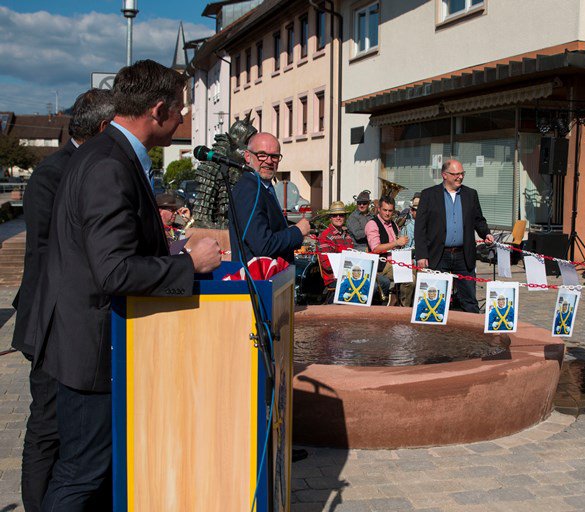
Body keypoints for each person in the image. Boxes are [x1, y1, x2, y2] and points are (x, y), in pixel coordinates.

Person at [25, 60, 222, 510]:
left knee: (94, 473)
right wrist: (189, 263)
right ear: (157, 110)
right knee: (81, 475)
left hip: (93, 343)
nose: (184, 119)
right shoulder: (108, 164)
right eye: (181, 109)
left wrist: (166, 252)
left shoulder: (106, 153)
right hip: (93, 350)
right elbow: (112, 271)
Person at [11, 88, 114, 512]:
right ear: (104, 127)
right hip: (51, 319)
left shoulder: (84, 164)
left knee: (69, 430)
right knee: (48, 426)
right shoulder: (56, 172)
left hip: (69, 320)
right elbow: (49, 252)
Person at [414, 160, 494, 313]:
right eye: (456, 174)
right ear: (444, 175)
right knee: (435, 299)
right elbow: (420, 228)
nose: (460, 177)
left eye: (462, 173)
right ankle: (432, 333)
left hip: (463, 255)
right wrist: (422, 255)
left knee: (469, 300)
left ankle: (472, 334)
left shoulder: (470, 194)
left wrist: (486, 233)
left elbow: (478, 219)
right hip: (438, 254)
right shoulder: (429, 195)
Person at [230, 132, 310, 264]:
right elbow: (263, 245)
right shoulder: (249, 190)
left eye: (274, 156)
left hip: (273, 277)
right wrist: (297, 231)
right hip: (256, 280)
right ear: (247, 156)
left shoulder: (263, 186)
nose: (268, 161)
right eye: (262, 155)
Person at [365, 195, 414, 305]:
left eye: (390, 211)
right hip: (382, 265)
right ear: (379, 209)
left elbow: (397, 246)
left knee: (419, 273)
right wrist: (396, 243)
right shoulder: (372, 224)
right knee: (410, 278)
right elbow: (375, 248)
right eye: (385, 210)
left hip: (396, 261)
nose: (387, 213)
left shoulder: (393, 224)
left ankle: (397, 299)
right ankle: (403, 309)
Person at [317, 200, 354, 286]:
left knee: (382, 282)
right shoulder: (324, 236)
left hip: (350, 274)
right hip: (334, 279)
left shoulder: (347, 235)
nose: (338, 217)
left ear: (345, 217)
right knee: (371, 286)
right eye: (335, 215)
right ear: (330, 218)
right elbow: (327, 265)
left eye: (341, 215)